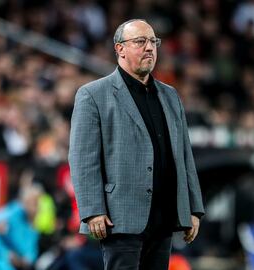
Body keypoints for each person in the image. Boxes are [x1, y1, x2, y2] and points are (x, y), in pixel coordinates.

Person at [68, 19, 205, 270]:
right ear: (120, 49)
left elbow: (184, 155)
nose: (149, 47)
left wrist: (193, 208)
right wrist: (92, 210)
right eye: (140, 41)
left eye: (153, 42)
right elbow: (82, 158)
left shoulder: (170, 95)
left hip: (164, 215)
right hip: (119, 216)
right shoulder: (93, 94)